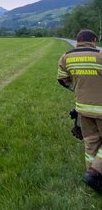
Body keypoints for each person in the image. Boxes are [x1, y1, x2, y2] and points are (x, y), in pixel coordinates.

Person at [57, 29, 102, 192]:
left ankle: (95, 181)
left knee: (91, 142)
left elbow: (62, 79)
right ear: (94, 40)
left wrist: (77, 89)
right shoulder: (100, 56)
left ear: (78, 41)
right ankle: (95, 173)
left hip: (82, 108)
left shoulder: (66, 57)